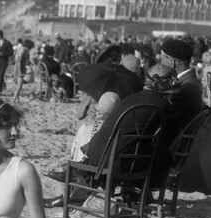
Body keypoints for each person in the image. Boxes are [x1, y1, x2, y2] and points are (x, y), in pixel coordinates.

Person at [43, 63, 180, 208]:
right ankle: (77, 183)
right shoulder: (161, 106)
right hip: (121, 162)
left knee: (98, 162)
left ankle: (75, 182)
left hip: (101, 154)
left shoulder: (132, 98)